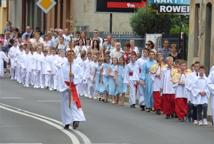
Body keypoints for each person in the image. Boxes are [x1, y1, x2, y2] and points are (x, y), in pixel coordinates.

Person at [57, 50, 86, 129]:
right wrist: (66, 87)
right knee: (65, 105)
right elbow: (60, 77)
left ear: (74, 56)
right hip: (66, 87)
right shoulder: (62, 66)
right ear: (66, 56)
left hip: (74, 87)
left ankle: (76, 119)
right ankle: (67, 122)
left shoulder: (77, 66)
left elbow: (81, 76)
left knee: (74, 104)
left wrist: (74, 75)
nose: (70, 57)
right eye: (68, 55)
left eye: (72, 55)